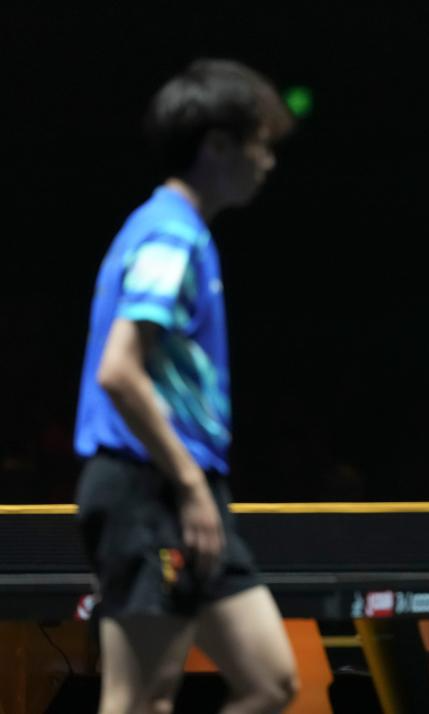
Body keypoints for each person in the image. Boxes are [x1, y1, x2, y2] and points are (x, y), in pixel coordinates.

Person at [73, 59, 299, 714]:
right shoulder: (169, 236)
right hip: (149, 485)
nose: (267, 162)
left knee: (270, 682)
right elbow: (118, 371)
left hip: (182, 486)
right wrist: (190, 485)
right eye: (259, 144)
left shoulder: (180, 232)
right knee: (140, 700)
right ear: (217, 146)